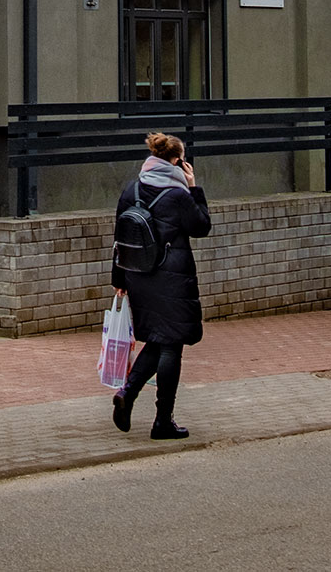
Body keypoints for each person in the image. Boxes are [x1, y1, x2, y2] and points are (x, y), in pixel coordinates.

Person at [111, 131, 211, 439]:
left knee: (157, 340)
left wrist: (118, 280)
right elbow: (201, 227)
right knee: (172, 345)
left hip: (138, 276)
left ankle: (127, 393)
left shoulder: (132, 189)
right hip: (171, 278)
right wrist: (194, 188)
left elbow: (119, 237)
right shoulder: (179, 195)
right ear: (179, 161)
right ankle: (162, 421)